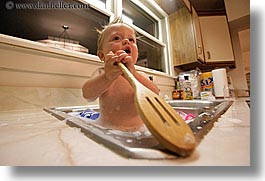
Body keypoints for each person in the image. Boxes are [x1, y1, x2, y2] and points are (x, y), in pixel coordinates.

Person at [82, 17, 159, 132]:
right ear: (102, 55)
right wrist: (107, 77)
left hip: (141, 131)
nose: (126, 42)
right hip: (109, 132)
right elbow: (87, 95)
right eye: (116, 38)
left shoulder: (140, 75)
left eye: (131, 40)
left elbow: (155, 94)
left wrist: (133, 74)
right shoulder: (102, 73)